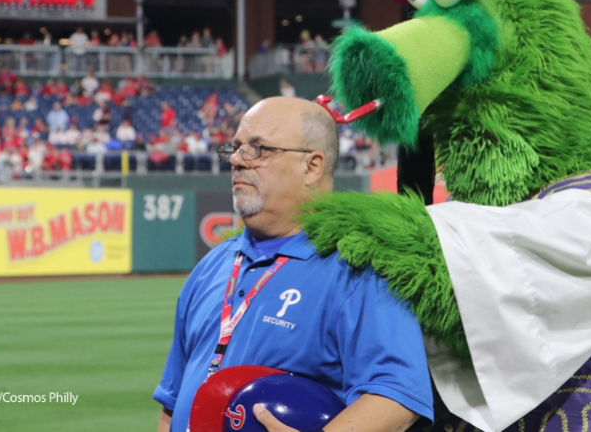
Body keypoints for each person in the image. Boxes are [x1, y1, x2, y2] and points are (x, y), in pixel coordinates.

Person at [153, 97, 433, 432]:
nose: (238, 160)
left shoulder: (357, 269)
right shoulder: (213, 264)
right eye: (237, 146)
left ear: (312, 166)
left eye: (258, 148)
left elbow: (396, 396)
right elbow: (172, 404)